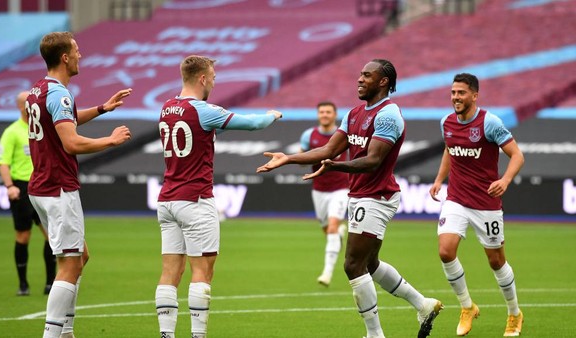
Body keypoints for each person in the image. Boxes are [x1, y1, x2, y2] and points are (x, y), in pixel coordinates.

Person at [257, 58, 442, 338]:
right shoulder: (354, 113)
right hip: (361, 194)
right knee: (370, 264)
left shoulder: (389, 115)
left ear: (383, 82)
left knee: (352, 265)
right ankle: (423, 304)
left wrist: (336, 166)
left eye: (367, 75)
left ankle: (375, 334)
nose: (359, 79)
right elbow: (329, 149)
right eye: (360, 74)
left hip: (376, 195)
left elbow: (373, 161)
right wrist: (288, 159)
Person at [154, 55, 282, 338]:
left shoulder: (166, 107)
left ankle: (166, 335)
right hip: (195, 199)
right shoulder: (204, 110)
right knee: (202, 270)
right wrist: (273, 115)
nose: (214, 81)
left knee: (170, 272)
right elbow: (253, 124)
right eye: (212, 76)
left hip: (167, 199)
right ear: (202, 78)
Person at [26, 31, 133, 338]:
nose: (80, 55)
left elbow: (65, 121)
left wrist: (101, 109)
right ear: (64, 57)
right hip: (59, 186)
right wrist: (110, 140)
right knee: (70, 264)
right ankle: (53, 334)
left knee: (80, 256)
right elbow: (70, 142)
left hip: (41, 186)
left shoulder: (39, 89)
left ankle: (67, 331)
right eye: (76, 50)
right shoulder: (59, 94)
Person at [429, 73, 525, 337]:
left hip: (486, 203)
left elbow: (517, 155)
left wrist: (505, 180)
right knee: (446, 251)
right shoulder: (446, 122)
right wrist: (439, 180)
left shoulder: (489, 122)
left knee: (496, 261)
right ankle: (467, 307)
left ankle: (514, 313)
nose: (456, 97)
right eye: (453, 93)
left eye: (461, 93)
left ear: (474, 95)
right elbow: (450, 149)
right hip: (456, 199)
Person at [0, 91, 56, 296]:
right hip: (21, 188)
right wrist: (9, 186)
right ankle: (23, 284)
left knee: (51, 235)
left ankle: (51, 283)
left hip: (42, 186)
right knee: (23, 236)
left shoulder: (40, 128)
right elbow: (3, 162)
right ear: (22, 107)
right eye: (28, 103)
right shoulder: (12, 132)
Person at [299, 101, 349, 286]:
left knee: (332, 226)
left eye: (328, 112)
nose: (325, 115)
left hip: (341, 188)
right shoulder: (309, 135)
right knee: (327, 230)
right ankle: (339, 236)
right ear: (318, 114)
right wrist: (303, 157)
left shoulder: (343, 135)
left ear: (335, 115)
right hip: (319, 189)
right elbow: (302, 160)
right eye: (322, 112)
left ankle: (327, 273)